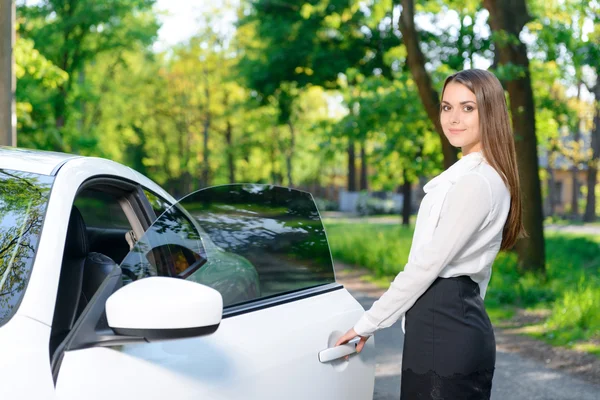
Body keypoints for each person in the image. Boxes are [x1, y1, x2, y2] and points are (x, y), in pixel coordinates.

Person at [335, 69, 525, 399]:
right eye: (446, 107)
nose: (453, 118)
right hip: (447, 326)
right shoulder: (479, 176)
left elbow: (425, 266)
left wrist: (367, 324)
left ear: (490, 112)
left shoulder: (475, 182)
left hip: (446, 330)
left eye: (468, 108)